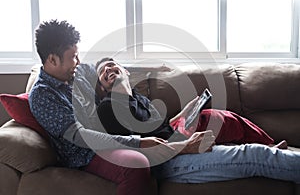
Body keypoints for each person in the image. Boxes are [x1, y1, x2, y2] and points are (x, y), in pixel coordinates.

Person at [29, 19, 204, 195]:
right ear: (52, 59)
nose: (78, 60)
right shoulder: (42, 95)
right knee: (135, 163)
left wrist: (154, 68)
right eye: (73, 56)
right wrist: (138, 142)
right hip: (86, 154)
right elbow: (80, 136)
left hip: (111, 135)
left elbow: (110, 69)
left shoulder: (80, 73)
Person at [95, 57, 300, 184]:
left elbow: (164, 126)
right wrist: (185, 146)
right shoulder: (108, 108)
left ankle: (270, 144)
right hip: (169, 161)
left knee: (224, 123)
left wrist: (186, 110)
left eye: (112, 65)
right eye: (102, 72)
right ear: (103, 88)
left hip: (178, 144)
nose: (108, 70)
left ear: (126, 71)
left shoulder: (140, 99)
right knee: (255, 155)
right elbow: (134, 149)